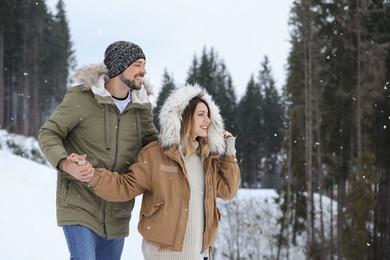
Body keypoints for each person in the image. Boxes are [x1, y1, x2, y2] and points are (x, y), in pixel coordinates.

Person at [71, 84, 241, 260]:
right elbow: (125, 186)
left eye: (208, 115)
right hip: (163, 253)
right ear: (182, 116)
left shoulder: (206, 158)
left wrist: (229, 152)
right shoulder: (155, 154)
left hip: (197, 254)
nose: (207, 120)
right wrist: (92, 174)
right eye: (201, 114)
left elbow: (228, 190)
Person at [37, 41, 158, 260]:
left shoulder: (142, 108)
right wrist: (64, 163)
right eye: (138, 64)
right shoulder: (81, 98)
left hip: (117, 207)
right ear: (120, 66)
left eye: (144, 64)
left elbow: (153, 147)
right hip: (79, 200)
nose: (144, 71)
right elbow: (49, 133)